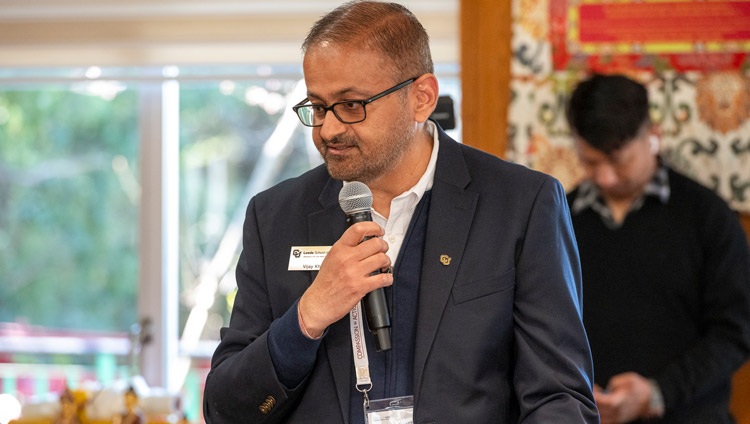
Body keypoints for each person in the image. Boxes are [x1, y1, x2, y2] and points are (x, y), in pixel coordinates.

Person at [203, 1, 598, 422]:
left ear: (422, 98)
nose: (329, 129)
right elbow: (226, 410)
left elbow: (560, 400)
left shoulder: (521, 204)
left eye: (351, 105)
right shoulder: (274, 217)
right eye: (318, 107)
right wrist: (307, 316)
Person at [565, 73, 750, 424]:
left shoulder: (708, 217)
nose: (605, 177)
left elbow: (736, 331)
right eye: (590, 162)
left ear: (653, 137)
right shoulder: (557, 218)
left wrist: (656, 393)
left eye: (618, 161)